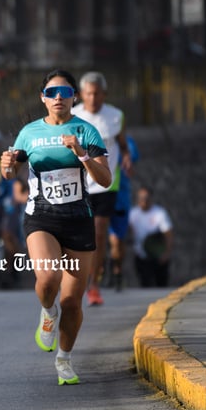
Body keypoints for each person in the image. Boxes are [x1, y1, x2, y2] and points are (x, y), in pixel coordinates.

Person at [0, 69, 111, 385]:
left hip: (78, 220)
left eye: (64, 92)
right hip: (42, 218)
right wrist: (7, 167)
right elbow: (11, 171)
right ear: (43, 98)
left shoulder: (87, 131)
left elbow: (106, 179)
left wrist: (82, 155)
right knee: (48, 278)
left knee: (73, 301)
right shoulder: (30, 133)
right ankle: (47, 313)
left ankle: (64, 359)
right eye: (51, 93)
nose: (58, 98)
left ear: (74, 96)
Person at [71, 71, 131, 306]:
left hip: (107, 183)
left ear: (104, 94)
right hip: (79, 183)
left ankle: (94, 284)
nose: (93, 98)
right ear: (81, 95)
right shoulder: (73, 116)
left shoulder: (116, 116)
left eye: (97, 94)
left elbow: (124, 144)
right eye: (88, 94)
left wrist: (127, 157)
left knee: (99, 231)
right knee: (79, 235)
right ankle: (79, 278)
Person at [107, 136, 139, 291]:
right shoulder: (92, 135)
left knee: (118, 241)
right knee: (98, 236)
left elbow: (130, 162)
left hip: (120, 197)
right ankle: (98, 272)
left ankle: (117, 270)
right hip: (99, 196)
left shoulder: (127, 142)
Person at [129, 186, 173, 287]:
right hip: (141, 257)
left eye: (146, 198)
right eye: (141, 198)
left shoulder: (159, 213)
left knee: (161, 286)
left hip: (158, 256)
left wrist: (166, 254)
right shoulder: (132, 214)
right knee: (145, 286)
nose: (144, 201)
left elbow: (168, 235)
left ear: (151, 198)